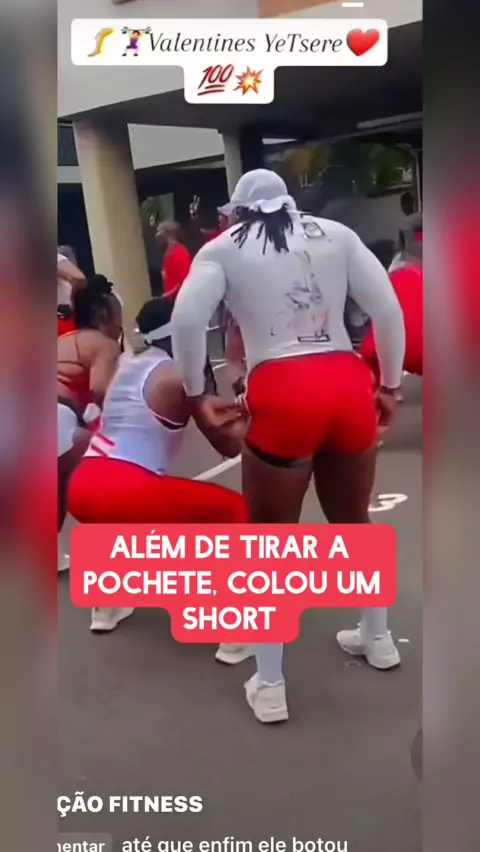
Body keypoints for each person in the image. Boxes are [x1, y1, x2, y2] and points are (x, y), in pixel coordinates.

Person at [171, 168, 406, 724]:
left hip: (283, 389)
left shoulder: (223, 248)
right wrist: (390, 385)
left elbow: (186, 320)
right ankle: (378, 639)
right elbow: (388, 309)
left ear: (239, 210)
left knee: (269, 546)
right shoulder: (336, 235)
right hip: (346, 383)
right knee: (354, 524)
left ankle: (271, 684)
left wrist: (197, 393)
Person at [67, 296, 247, 634]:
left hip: (83, 483)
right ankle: (234, 630)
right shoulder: (179, 377)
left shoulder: (128, 362)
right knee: (237, 511)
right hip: (122, 487)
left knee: (119, 520)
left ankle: (106, 605)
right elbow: (228, 444)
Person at [57, 274, 122, 571]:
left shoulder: (63, 341)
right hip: (55, 417)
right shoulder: (103, 345)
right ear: (104, 315)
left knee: (56, 485)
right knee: (105, 476)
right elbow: (100, 388)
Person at [156, 221, 193, 299]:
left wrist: (168, 295)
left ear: (168, 234)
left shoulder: (179, 251)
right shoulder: (167, 253)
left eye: (159, 232)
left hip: (179, 299)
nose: (157, 236)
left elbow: (183, 280)